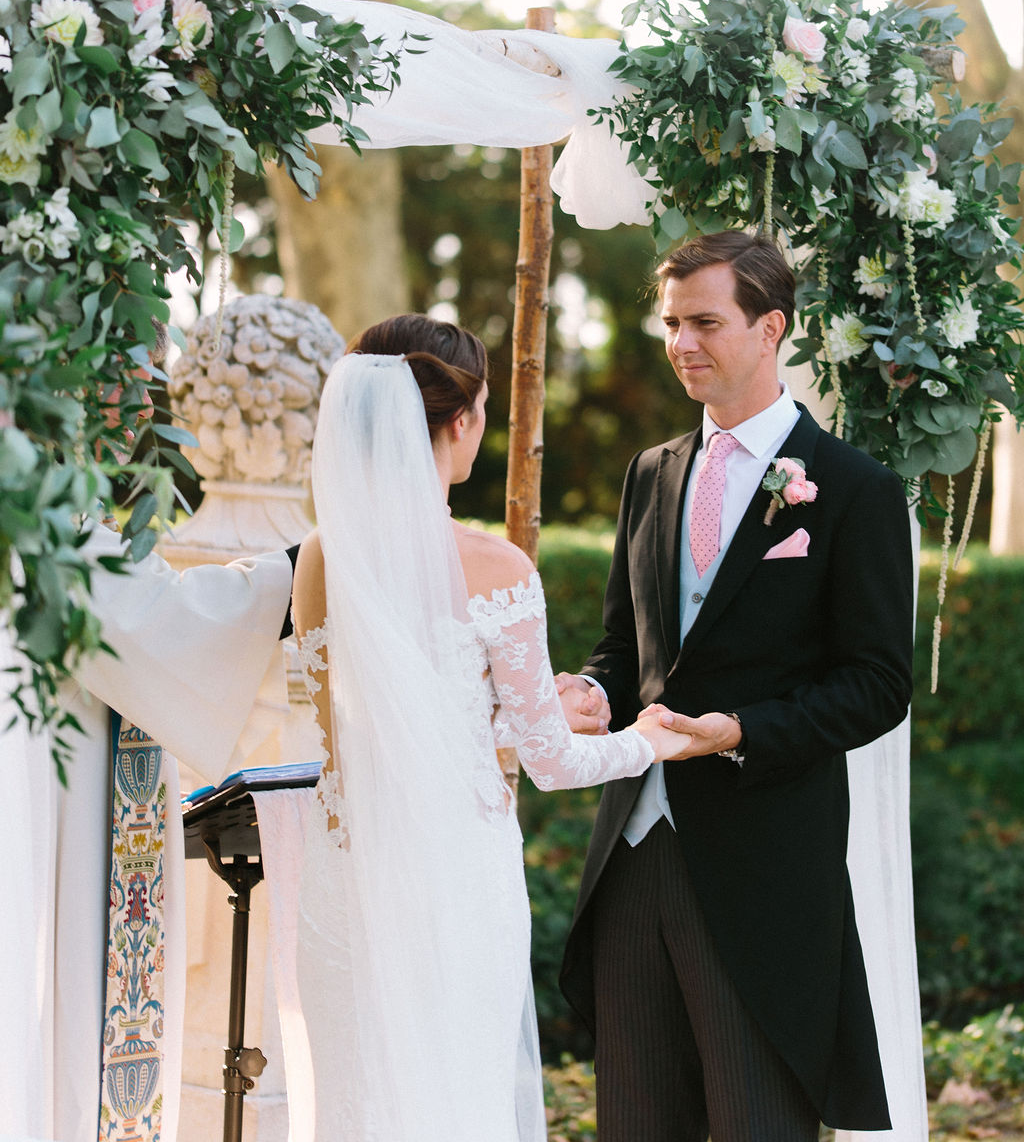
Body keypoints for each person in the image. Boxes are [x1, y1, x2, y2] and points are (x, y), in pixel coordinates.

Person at [289, 314, 691, 1142]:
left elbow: (366, 733)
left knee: (358, 1099)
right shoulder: (496, 567)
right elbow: (554, 762)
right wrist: (650, 739)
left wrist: (506, 718)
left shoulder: (322, 559)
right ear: (462, 421)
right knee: (458, 1094)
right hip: (456, 878)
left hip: (345, 872)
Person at [556, 230, 915, 1142]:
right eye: (671, 324)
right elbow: (626, 645)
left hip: (765, 866)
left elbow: (878, 684)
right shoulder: (650, 472)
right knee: (636, 1124)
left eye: (705, 322)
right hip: (633, 849)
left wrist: (742, 730)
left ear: (771, 328)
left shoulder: (854, 489)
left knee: (759, 1123)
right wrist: (593, 693)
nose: (681, 343)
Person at [0, 324, 298, 1142]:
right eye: (125, 375)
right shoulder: (37, 496)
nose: (142, 402)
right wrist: (294, 574)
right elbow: (152, 622)